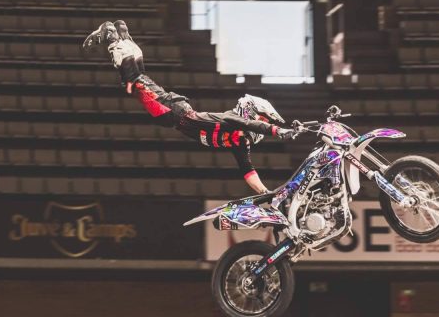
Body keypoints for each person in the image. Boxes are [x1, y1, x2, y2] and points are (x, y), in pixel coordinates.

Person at [82, 21, 296, 194]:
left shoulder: (239, 141)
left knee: (138, 81)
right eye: (264, 119)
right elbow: (248, 123)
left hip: (172, 116)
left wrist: (264, 192)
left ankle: (124, 36)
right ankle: (111, 34)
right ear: (252, 111)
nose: (263, 125)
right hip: (175, 112)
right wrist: (277, 131)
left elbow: (247, 169)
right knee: (132, 81)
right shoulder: (232, 120)